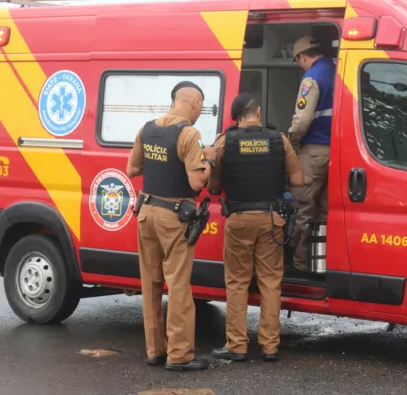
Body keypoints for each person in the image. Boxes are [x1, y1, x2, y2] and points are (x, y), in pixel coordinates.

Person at [126, 80, 216, 372]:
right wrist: (209, 161)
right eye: (201, 106)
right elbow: (196, 182)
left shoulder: (147, 128)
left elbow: (133, 169)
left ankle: (155, 351)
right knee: (178, 285)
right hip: (174, 217)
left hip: (146, 212)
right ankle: (179, 355)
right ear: (195, 103)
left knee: (150, 284)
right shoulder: (189, 134)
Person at [207, 93, 304, 362]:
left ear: (235, 116)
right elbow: (299, 179)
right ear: (257, 112)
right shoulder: (279, 139)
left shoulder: (224, 141)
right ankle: (270, 346)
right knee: (271, 283)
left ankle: (236, 346)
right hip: (272, 219)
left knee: (237, 283)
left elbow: (213, 186)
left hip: (238, 219)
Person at [287, 35, 336, 274]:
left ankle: (300, 265)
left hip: (314, 152)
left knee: (302, 210)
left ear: (303, 56)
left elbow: (302, 120)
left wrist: (292, 143)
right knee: (326, 211)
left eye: (299, 62)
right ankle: (322, 264)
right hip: (337, 153)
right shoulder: (339, 69)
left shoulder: (311, 78)